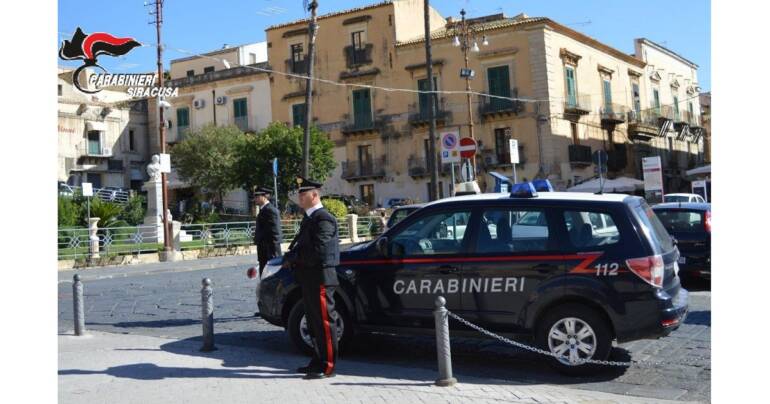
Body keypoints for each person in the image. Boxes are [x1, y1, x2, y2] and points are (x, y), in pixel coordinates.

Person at [283, 176, 340, 380]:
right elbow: (304, 247)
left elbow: (319, 251)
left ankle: (328, 365)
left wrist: (296, 258)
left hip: (321, 278)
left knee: (324, 322)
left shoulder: (323, 218)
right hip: (309, 278)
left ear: (314, 195)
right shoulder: (310, 218)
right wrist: (291, 256)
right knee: (314, 322)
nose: (300, 197)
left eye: (303, 193)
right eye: (299, 193)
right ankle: (317, 360)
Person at [253, 186, 282, 317]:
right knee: (264, 280)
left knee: (272, 281)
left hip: (270, 252)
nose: (255, 199)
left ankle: (274, 308)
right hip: (263, 252)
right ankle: (265, 308)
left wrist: (275, 256)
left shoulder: (271, 210)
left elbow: (276, 234)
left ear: (265, 196)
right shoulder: (264, 210)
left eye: (257, 196)